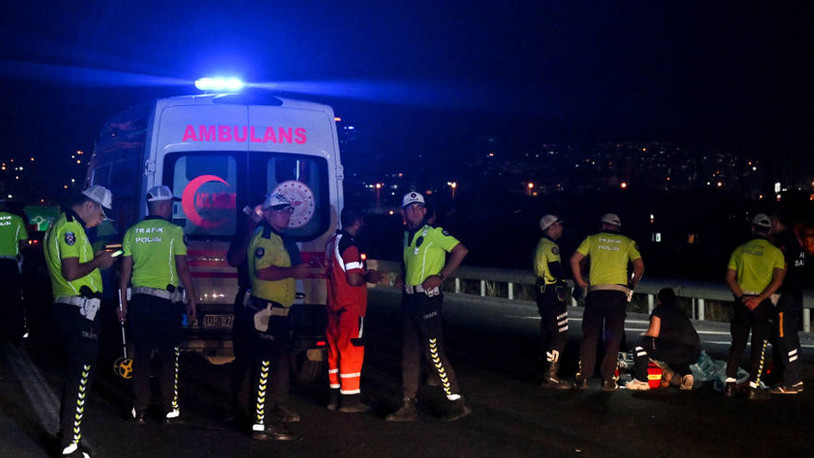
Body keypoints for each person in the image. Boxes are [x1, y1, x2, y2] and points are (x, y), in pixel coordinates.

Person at [43, 185, 117, 458]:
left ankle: (67, 437)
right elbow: (71, 272)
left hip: (72, 310)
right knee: (81, 377)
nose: (100, 221)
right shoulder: (70, 228)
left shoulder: (62, 224)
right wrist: (99, 261)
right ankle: (69, 445)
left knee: (77, 376)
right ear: (89, 206)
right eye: (100, 215)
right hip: (78, 312)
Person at [386, 192, 470, 422]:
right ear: (403, 213)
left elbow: (461, 250)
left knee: (433, 353)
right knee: (409, 353)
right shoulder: (406, 236)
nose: (415, 211)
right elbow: (408, 262)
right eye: (410, 208)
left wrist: (441, 276)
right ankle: (407, 404)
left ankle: (456, 401)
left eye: (419, 207)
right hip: (409, 300)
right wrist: (404, 278)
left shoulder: (433, 233)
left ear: (425, 211)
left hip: (428, 300)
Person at [118, 185, 197, 424]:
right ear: (162, 205)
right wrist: (192, 299)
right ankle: (169, 410)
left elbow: (124, 273)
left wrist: (122, 303)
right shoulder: (174, 231)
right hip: (167, 305)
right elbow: (182, 268)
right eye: (170, 204)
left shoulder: (132, 232)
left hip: (140, 303)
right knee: (168, 357)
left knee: (141, 357)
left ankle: (140, 409)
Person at [246, 192, 310, 441]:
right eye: (281, 210)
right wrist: (293, 270)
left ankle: (264, 418)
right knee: (264, 368)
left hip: (279, 313)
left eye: (289, 211)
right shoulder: (266, 238)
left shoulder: (280, 238)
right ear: (268, 213)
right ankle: (260, 425)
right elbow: (262, 273)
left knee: (271, 367)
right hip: (267, 312)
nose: (287, 214)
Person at [570, 213, 644, 391]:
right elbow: (639, 266)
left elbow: (574, 260)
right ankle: (608, 379)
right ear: (618, 227)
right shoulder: (627, 242)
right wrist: (632, 282)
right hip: (617, 294)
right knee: (613, 337)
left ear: (603, 226)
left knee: (590, 335)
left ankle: (584, 376)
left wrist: (580, 282)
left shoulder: (592, 239)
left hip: (596, 292)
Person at [324, 207, 384, 412]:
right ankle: (350, 401)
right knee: (351, 353)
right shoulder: (349, 246)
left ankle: (334, 397)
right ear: (358, 221)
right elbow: (353, 278)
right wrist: (369, 277)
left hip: (333, 307)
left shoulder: (331, 242)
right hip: (350, 308)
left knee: (334, 353)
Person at [724, 213, 785, 400]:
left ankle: (730, 385)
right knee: (759, 346)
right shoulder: (776, 253)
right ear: (768, 231)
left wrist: (743, 297)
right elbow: (778, 280)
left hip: (742, 303)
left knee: (737, 344)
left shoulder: (739, 250)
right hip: (763, 304)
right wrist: (759, 299)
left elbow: (729, 278)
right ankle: (752, 387)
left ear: (752, 228)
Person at [226, 198, 263, 420]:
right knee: (244, 356)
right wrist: (250, 227)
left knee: (266, 358)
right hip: (248, 298)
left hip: (267, 300)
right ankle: (238, 405)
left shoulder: (276, 237)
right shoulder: (247, 233)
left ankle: (264, 407)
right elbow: (234, 259)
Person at [626, 288, 701, 391]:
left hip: (675, 350)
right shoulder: (680, 311)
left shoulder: (659, 310)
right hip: (694, 351)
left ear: (658, 300)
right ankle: (686, 375)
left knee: (641, 342)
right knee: (675, 350)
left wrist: (642, 335)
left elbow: (653, 333)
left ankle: (641, 381)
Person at [768, 212, 805, 395]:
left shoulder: (783, 242)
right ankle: (790, 377)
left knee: (784, 338)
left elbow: (782, 270)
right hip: (796, 295)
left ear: (775, 221)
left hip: (785, 297)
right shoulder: (797, 241)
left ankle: (792, 381)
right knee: (791, 338)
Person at [533, 214, 570, 389]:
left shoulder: (539, 244)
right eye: (558, 225)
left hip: (542, 293)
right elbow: (556, 271)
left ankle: (543, 369)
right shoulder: (551, 246)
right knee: (559, 332)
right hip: (553, 293)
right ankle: (551, 375)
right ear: (551, 227)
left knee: (547, 331)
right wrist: (568, 281)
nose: (561, 228)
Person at [0, 199, 28, 344]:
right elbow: (24, 242)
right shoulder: (16, 220)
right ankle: (12, 330)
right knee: (13, 296)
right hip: (10, 263)